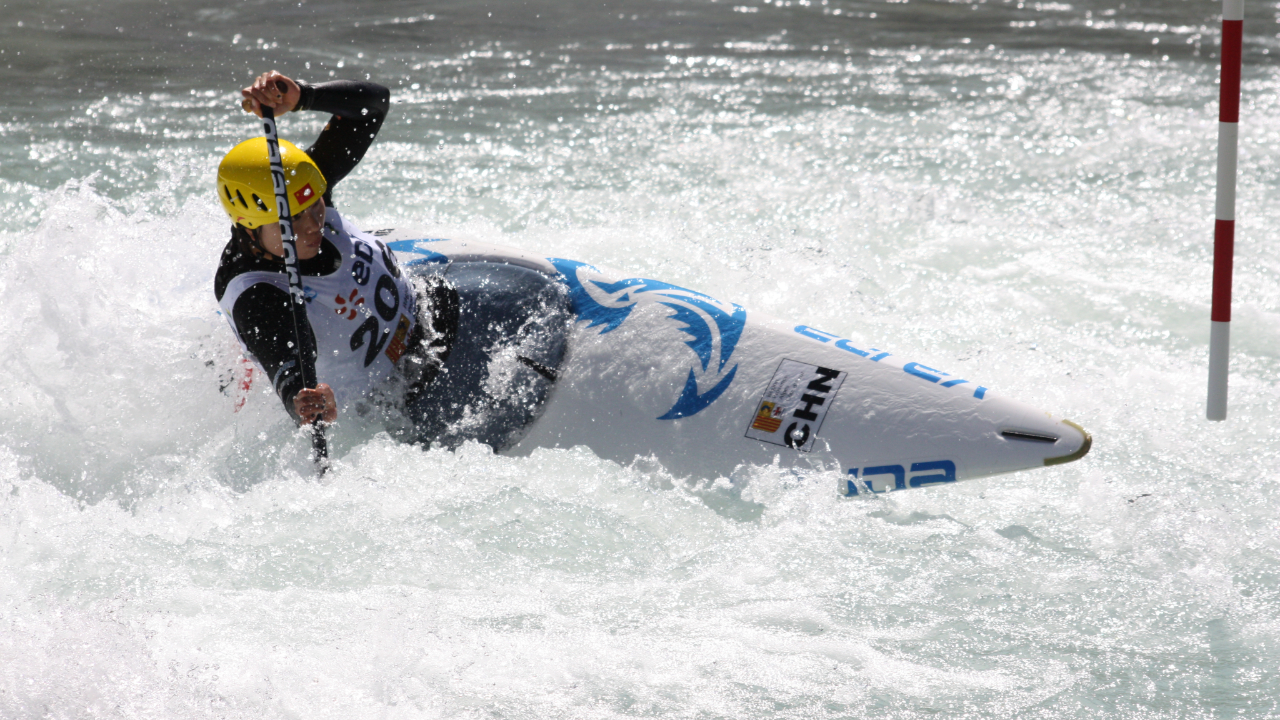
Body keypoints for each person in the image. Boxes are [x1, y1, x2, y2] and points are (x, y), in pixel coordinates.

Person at [215, 71, 570, 451]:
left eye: (315, 203)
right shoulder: (257, 296)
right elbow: (286, 364)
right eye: (295, 219)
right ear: (250, 229)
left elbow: (372, 104)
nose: (314, 221)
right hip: (400, 401)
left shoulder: (298, 190)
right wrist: (304, 401)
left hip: (435, 311)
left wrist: (304, 97)